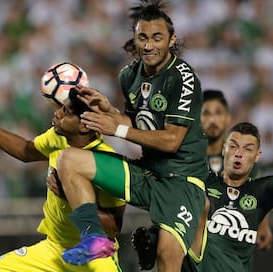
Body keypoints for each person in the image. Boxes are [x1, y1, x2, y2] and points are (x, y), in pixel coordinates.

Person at [55, 1, 208, 272]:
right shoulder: (129, 75)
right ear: (135, 39)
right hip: (148, 174)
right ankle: (93, 238)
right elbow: (137, 123)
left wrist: (117, 128)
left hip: (182, 182)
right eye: (143, 38)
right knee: (68, 160)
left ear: (171, 40)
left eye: (157, 38)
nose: (149, 45)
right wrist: (110, 111)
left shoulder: (183, 78)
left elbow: (172, 141)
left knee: (167, 255)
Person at [0, 88, 126, 272]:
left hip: (95, 257)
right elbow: (25, 150)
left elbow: (113, 228)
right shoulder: (58, 138)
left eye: (65, 112)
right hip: (53, 250)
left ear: (84, 125)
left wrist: (69, 196)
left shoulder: (107, 163)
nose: (57, 113)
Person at [131, 89, 273, 270]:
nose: (212, 120)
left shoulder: (241, 161)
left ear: (228, 118)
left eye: (218, 113)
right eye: (206, 113)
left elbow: (257, 193)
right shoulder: (186, 158)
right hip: (192, 250)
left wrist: (264, 225)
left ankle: (155, 237)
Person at [193, 88, 273, 271]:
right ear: (224, 150)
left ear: (257, 156)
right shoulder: (202, 180)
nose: (239, 154)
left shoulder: (261, 190)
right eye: (234, 146)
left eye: (247, 149)